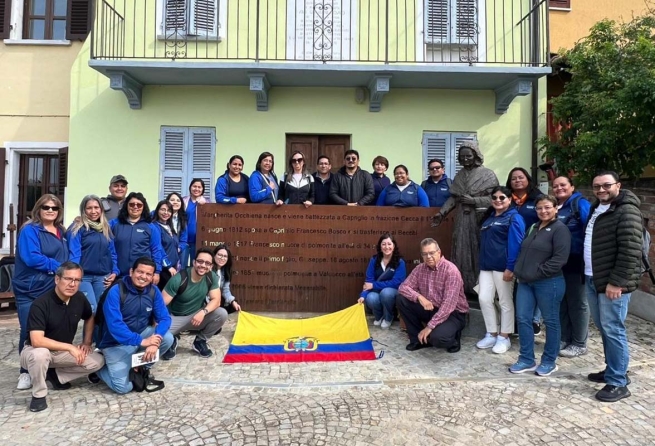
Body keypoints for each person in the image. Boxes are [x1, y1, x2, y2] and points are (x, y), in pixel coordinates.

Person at [584, 171, 642, 402]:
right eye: (597, 186)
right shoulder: (597, 208)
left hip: (611, 283)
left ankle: (618, 381)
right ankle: (612, 369)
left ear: (618, 185)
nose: (601, 190)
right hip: (592, 278)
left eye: (606, 185)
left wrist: (616, 282)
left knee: (613, 328)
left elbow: (631, 250)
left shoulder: (626, 211)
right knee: (605, 328)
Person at [20, 262, 105, 412]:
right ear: (57, 279)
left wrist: (86, 341)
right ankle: (38, 395)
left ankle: (56, 376)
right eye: (68, 279)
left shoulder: (79, 298)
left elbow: (90, 316)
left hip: (60, 353)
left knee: (98, 361)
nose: (72, 284)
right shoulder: (41, 303)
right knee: (41, 354)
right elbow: (37, 340)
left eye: (77, 280)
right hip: (34, 351)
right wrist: (70, 347)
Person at [13, 194, 69, 391]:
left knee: (53, 328)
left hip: (53, 288)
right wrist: (60, 267)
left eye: (54, 208)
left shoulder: (61, 231)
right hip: (30, 288)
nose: (50, 211)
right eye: (46, 207)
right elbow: (31, 258)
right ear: (38, 208)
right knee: (29, 329)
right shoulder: (30, 230)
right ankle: (25, 372)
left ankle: (48, 369)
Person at [510, 195, 570, 376]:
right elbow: (523, 252)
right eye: (539, 208)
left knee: (551, 321)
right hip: (526, 283)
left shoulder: (560, 229)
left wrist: (535, 273)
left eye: (547, 207)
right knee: (523, 319)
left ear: (555, 208)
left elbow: (559, 260)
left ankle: (549, 361)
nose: (543, 211)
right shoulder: (534, 227)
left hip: (548, 282)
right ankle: (526, 358)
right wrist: (520, 271)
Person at [96, 257, 174, 394]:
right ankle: (99, 368)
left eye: (148, 274)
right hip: (114, 343)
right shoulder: (116, 291)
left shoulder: (153, 291)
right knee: (123, 388)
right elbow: (115, 326)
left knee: (167, 338)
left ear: (153, 276)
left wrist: (155, 340)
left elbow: (165, 318)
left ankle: (141, 366)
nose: (143, 277)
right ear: (131, 271)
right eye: (140, 272)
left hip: (140, 335)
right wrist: (143, 341)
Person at [432, 141, 499, 294]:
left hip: (479, 219)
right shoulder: (460, 175)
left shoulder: (488, 174)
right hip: (462, 219)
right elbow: (454, 198)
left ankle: (479, 289)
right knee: (460, 251)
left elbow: (496, 199)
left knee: (477, 251)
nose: (465, 159)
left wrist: (474, 201)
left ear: (475, 155)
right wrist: (442, 213)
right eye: (462, 157)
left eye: (468, 155)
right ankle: (461, 287)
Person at [397, 238, 469, 353]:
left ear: (439, 252)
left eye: (431, 253)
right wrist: (420, 297)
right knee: (402, 299)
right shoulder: (420, 269)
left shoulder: (451, 271)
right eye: (425, 254)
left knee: (438, 339)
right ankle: (417, 339)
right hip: (431, 308)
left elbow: (448, 306)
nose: (428, 257)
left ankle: (454, 338)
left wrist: (429, 327)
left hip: (453, 313)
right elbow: (403, 288)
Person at [476, 186, 525, 354]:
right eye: (495, 197)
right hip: (486, 267)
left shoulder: (514, 218)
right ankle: (492, 332)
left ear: (510, 199)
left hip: (503, 268)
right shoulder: (488, 218)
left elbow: (516, 244)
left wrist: (510, 267)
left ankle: (504, 336)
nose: (498, 200)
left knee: (505, 302)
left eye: (502, 197)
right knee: (484, 298)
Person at [162, 248, 227, 360]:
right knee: (158, 333)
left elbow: (216, 300)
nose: (203, 265)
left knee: (221, 314)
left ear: (211, 266)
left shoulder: (211, 277)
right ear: (194, 262)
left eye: (207, 263)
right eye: (200, 261)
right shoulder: (179, 278)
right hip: (176, 318)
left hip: (197, 316)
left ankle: (200, 341)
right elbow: (161, 305)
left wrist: (203, 312)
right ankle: (172, 339)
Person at [552, 176, 592, 358]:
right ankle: (564, 338)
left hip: (576, 261)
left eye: (563, 185)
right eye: (555, 186)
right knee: (561, 301)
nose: (559, 188)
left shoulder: (580, 205)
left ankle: (579, 342)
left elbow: (590, 230)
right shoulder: (556, 206)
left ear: (572, 187)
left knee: (578, 302)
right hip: (559, 262)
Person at [506, 167, 545, 335]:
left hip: (535, 247)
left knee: (534, 282)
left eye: (521, 177)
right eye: (513, 178)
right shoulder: (507, 200)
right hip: (513, 248)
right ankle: (518, 320)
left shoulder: (537, 198)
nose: (517, 181)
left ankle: (535, 320)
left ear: (528, 179)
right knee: (518, 285)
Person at [68, 195, 119, 313]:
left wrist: (115, 271)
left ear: (101, 209)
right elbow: (74, 253)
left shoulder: (106, 228)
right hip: (84, 276)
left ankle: (95, 333)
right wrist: (74, 275)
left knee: (101, 311)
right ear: (83, 210)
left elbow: (112, 253)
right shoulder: (77, 228)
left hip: (103, 277)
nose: (93, 211)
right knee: (91, 309)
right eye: (89, 208)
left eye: (96, 207)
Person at [109, 192, 164, 285]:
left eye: (139, 205)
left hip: (142, 276)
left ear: (143, 207)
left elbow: (156, 250)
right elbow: (98, 226)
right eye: (132, 204)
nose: (135, 207)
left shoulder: (150, 227)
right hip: (118, 275)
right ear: (126, 206)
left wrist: (157, 272)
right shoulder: (114, 224)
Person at [357, 234, 406, 329]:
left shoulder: (400, 262)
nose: (387, 247)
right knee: (371, 298)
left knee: (386, 293)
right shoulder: (374, 260)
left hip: (392, 291)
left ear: (394, 246)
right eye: (384, 244)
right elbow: (369, 281)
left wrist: (374, 285)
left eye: (389, 244)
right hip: (376, 291)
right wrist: (363, 296)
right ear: (380, 246)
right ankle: (379, 317)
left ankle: (388, 317)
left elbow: (396, 282)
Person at [152, 200, 183, 290]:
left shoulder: (170, 226)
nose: (166, 213)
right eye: (163, 210)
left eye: (169, 210)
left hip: (173, 267)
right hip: (163, 268)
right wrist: (168, 266)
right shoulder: (155, 227)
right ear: (157, 211)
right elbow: (159, 249)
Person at [182, 178, 208, 266]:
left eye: (199, 187)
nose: (196, 189)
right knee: (182, 266)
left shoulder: (207, 203)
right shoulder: (183, 201)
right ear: (190, 187)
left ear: (203, 189)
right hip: (183, 240)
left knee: (196, 265)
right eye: (194, 186)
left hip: (198, 240)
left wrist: (204, 206)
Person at [212, 244, 242, 315]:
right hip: (207, 302)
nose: (222, 258)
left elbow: (225, 290)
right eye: (219, 255)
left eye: (225, 256)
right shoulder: (208, 269)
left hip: (216, 301)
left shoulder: (225, 271)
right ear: (214, 255)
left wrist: (233, 301)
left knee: (231, 306)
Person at [166, 192, 189, 259]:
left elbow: (183, 240)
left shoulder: (182, 219)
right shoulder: (157, 214)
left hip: (176, 250)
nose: (175, 202)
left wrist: (179, 249)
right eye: (172, 200)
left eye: (178, 201)